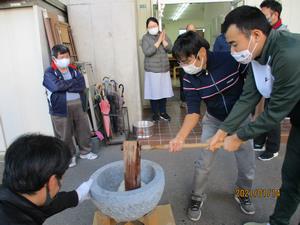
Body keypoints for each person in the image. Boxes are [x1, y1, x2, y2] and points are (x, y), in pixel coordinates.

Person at [209, 5, 300, 225]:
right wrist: (223, 130)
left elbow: (274, 113)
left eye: (234, 44)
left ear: (256, 35)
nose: (232, 51)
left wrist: (239, 137)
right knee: (292, 177)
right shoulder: (257, 55)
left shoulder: (288, 55)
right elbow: (248, 97)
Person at [169, 31, 255, 221]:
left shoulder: (230, 61)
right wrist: (180, 137)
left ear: (202, 52)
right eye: (180, 62)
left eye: (186, 60)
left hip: (240, 119)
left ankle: (243, 193)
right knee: (204, 162)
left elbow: (253, 83)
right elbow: (193, 112)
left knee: (247, 163)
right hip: (214, 120)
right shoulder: (189, 77)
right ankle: (197, 196)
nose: (184, 66)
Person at [0, 134, 93, 225]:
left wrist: (77, 195)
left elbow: (42, 205)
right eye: (61, 177)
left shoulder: (10, 193)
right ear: (52, 181)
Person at [43, 44, 98, 168]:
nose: (65, 59)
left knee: (83, 129)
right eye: (62, 57)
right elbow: (56, 87)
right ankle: (69, 157)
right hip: (60, 107)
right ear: (54, 59)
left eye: (67, 56)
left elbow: (81, 85)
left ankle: (85, 152)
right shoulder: (49, 72)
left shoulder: (73, 70)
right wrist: (70, 84)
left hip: (78, 104)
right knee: (64, 133)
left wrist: (64, 85)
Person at [252, 0, 289, 161]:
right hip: (264, 80)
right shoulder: (265, 31)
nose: (261, 18)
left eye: (264, 15)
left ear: (275, 14)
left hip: (278, 82)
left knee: (272, 114)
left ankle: (273, 148)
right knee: (261, 112)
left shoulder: (283, 33)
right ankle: (259, 140)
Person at [142, 17, 174, 122]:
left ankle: (163, 112)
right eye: (150, 26)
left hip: (164, 69)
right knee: (154, 92)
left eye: (154, 26)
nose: (152, 28)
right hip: (152, 70)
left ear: (158, 26)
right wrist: (158, 42)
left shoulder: (163, 35)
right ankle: (155, 113)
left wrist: (163, 40)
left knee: (163, 91)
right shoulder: (145, 38)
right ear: (147, 28)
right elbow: (147, 52)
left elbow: (170, 49)